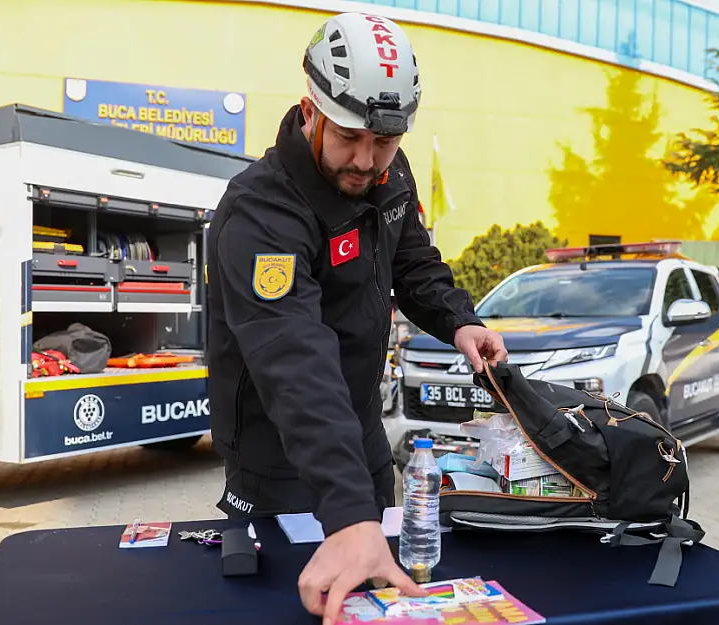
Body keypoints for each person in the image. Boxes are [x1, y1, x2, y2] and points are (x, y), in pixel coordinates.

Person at [204, 11, 507, 625]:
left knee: (383, 601)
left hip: (364, 440)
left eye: (385, 141)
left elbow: (414, 263)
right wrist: (347, 514)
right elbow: (294, 359)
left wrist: (459, 322)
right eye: (349, 137)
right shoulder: (260, 211)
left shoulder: (390, 174)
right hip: (282, 454)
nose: (367, 162)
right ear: (310, 110)